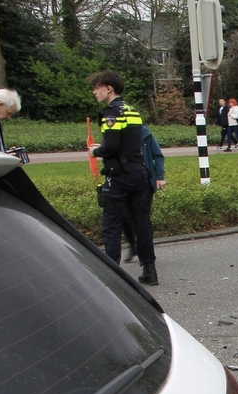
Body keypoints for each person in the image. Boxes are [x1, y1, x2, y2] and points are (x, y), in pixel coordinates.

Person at [87, 69, 158, 285]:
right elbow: (129, 141)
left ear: (109, 88)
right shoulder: (132, 110)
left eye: (97, 88)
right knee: (141, 223)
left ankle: (112, 277)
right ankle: (149, 271)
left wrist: (96, 151)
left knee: (111, 225)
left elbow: (112, 146)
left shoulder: (110, 113)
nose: (94, 92)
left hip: (119, 176)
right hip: (139, 173)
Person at [121, 125, 166, 262]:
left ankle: (146, 251)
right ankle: (133, 245)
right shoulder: (117, 132)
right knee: (124, 216)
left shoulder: (145, 134)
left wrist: (160, 176)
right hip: (124, 179)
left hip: (145, 179)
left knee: (142, 216)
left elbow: (158, 155)